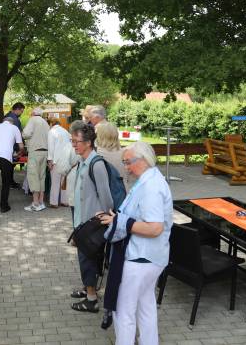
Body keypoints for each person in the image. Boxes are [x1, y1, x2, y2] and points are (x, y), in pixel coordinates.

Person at [99, 141, 173, 345]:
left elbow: (154, 228)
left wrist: (121, 221)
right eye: (124, 162)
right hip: (150, 257)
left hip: (140, 258)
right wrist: (116, 218)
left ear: (143, 160)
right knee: (145, 305)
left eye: (128, 162)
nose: (126, 167)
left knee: (124, 311)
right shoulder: (148, 180)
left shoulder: (151, 187)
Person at [70, 123, 114, 313]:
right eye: (72, 141)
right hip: (82, 221)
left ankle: (91, 299)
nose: (73, 145)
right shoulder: (83, 161)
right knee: (86, 259)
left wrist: (101, 220)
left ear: (88, 143)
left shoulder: (96, 165)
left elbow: (107, 199)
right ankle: (89, 289)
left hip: (91, 225)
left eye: (76, 141)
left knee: (87, 260)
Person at [0, 117, 24, 213]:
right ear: (11, 122)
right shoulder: (15, 128)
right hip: (6, 157)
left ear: (3, 121)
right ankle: (4, 206)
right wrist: (19, 153)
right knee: (6, 182)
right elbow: (21, 146)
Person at [22, 107, 50, 212]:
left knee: (33, 176)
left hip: (35, 151)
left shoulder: (33, 120)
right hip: (45, 152)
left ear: (33, 113)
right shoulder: (45, 122)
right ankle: (41, 202)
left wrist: (23, 133)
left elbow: (26, 134)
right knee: (41, 177)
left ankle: (35, 203)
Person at [95, 121, 134, 191]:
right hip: (123, 192)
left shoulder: (95, 154)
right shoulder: (126, 153)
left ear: (99, 136)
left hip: (103, 194)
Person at [47, 117, 72, 208]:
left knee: (55, 181)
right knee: (64, 181)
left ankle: (54, 202)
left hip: (56, 160)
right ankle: (64, 201)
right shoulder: (65, 131)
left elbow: (51, 147)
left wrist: (50, 160)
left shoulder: (51, 132)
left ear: (50, 124)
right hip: (66, 159)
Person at [5, 102, 25, 189]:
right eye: (21, 111)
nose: (21, 113)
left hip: (7, 145)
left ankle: (10, 182)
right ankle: (9, 183)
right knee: (10, 165)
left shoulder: (7, 116)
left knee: (10, 165)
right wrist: (20, 147)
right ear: (17, 109)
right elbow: (18, 134)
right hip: (12, 146)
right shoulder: (14, 119)